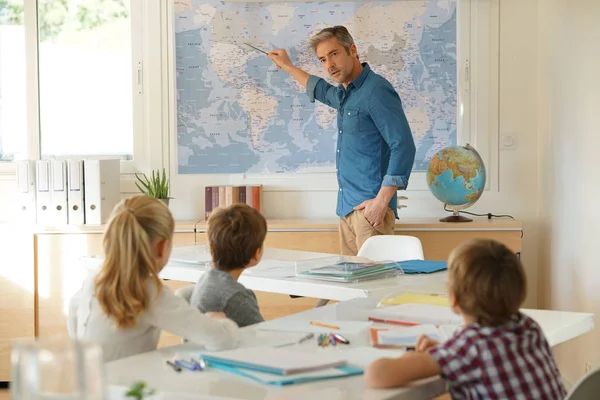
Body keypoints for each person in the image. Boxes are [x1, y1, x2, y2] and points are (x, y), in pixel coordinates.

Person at [267, 25, 416, 256]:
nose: (329, 65)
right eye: (323, 59)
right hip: (347, 210)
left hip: (370, 212)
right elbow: (319, 89)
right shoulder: (346, 94)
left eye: (334, 54)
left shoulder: (376, 90)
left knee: (375, 288)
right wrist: (287, 66)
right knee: (352, 290)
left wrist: (380, 203)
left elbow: (403, 145)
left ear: (353, 50)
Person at [364, 239, 567, 399]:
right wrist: (444, 351)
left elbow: (376, 375)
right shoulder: (528, 326)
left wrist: (411, 359)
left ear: (453, 299)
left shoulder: (469, 348)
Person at [67, 195, 240, 362]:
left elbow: (73, 312)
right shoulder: (148, 292)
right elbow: (222, 340)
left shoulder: (95, 276)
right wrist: (219, 321)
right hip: (128, 388)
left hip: (90, 383)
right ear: (162, 247)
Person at [190, 203, 266, 327]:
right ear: (256, 254)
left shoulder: (206, 279)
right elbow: (263, 338)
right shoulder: (237, 297)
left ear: (211, 246)